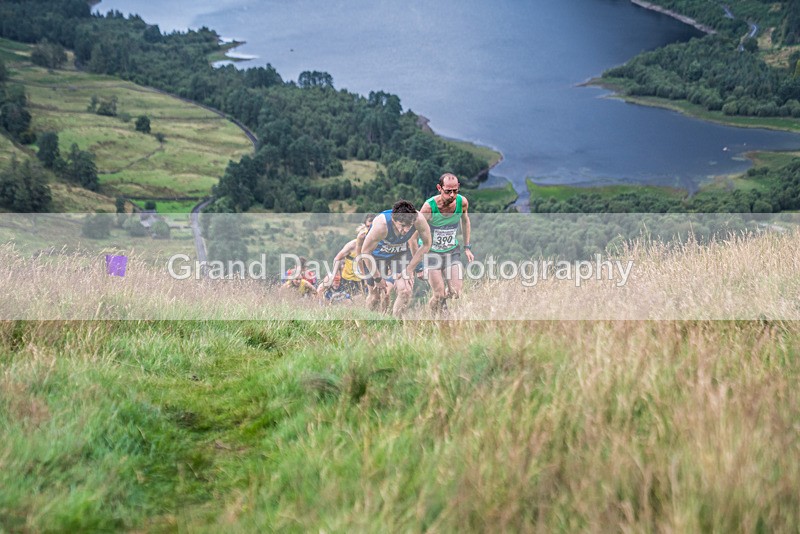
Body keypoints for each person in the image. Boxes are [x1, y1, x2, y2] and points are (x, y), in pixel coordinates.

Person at [358, 200, 432, 316]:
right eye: (402, 226)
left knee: (405, 290)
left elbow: (427, 244)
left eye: (409, 226)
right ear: (393, 220)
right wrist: (377, 278)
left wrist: (410, 269)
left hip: (399, 253)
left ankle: (395, 323)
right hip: (377, 255)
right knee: (375, 295)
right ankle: (368, 321)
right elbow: (365, 252)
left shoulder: (418, 219)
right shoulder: (381, 225)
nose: (406, 230)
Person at [420, 173, 474, 313]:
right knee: (438, 295)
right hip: (432, 253)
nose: (452, 195)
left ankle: (443, 308)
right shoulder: (429, 207)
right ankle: (432, 316)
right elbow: (416, 233)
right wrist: (419, 263)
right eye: (448, 191)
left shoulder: (462, 202)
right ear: (439, 188)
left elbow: (465, 221)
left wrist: (467, 247)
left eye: (455, 191)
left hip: (451, 251)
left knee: (456, 293)